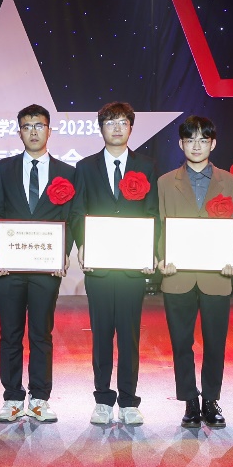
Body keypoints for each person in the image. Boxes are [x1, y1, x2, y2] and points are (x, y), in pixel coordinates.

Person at [70, 102, 158, 426]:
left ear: (131, 127)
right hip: (100, 267)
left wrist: (150, 251)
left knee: (129, 335)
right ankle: (103, 400)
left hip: (133, 267)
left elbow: (153, 212)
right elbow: (77, 211)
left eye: (122, 122)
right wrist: (83, 245)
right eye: (110, 122)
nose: (117, 127)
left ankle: (129, 401)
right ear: (101, 128)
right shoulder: (85, 167)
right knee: (102, 334)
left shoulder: (146, 166)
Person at [0, 104, 76, 424]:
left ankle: (39, 397)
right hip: (10, 268)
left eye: (39, 125)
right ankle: (12, 397)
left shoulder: (67, 172)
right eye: (27, 126)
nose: (33, 131)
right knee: (10, 333)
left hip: (45, 267)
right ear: (19, 132)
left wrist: (63, 252)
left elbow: (71, 218)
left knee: (41, 333)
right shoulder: (5, 168)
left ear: (49, 130)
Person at [157, 116, 233, 429]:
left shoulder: (229, 181)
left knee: (215, 342)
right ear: (181, 144)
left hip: (215, 275)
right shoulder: (165, 182)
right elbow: (160, 225)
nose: (196, 146)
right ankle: (190, 400)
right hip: (177, 274)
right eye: (190, 139)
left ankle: (211, 400)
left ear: (213, 144)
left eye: (203, 140)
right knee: (181, 342)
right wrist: (160, 258)